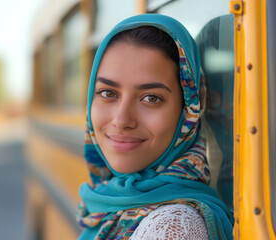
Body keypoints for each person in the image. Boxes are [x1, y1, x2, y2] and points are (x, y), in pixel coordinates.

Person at [77, 14, 234, 240]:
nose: (121, 120)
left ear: (188, 109)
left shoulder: (174, 227)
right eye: (108, 93)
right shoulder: (107, 200)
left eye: (151, 98)